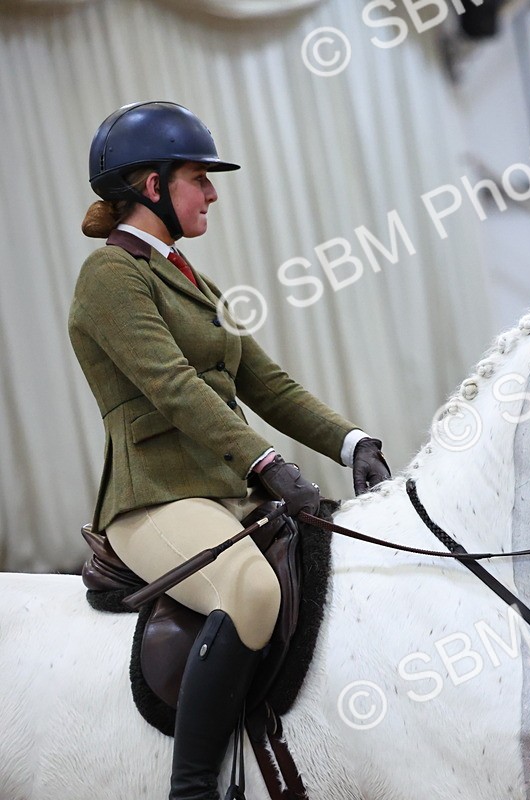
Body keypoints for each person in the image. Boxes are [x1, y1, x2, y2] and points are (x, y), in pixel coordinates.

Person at [69, 100, 391, 800]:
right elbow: (174, 388)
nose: (212, 192)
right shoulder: (110, 279)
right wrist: (265, 462)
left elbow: (262, 380)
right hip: (155, 497)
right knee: (249, 592)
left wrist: (351, 440)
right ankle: (192, 789)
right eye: (196, 177)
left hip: (224, 491)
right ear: (150, 186)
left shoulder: (190, 277)